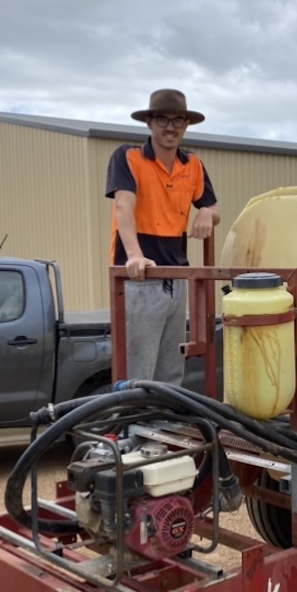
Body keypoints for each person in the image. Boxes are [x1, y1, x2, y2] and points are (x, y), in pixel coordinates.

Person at [106, 89, 219, 383]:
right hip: (140, 278)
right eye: (162, 120)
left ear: (186, 125)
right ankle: (134, 424)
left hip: (176, 278)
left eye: (178, 120)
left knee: (171, 368)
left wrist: (206, 212)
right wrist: (134, 255)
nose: (171, 127)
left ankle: (162, 424)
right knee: (138, 368)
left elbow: (213, 206)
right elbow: (123, 205)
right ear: (149, 123)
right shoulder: (128, 157)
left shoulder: (192, 164)